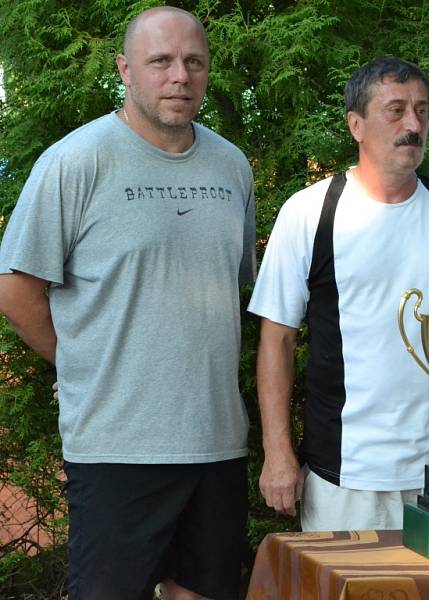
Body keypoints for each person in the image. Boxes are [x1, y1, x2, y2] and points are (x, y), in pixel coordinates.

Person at [0, 7, 255, 600]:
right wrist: (78, 363)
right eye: (160, 61)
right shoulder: (76, 161)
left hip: (216, 436)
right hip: (118, 441)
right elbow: (15, 290)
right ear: (125, 69)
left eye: (193, 62)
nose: (179, 76)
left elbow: (229, 286)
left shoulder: (231, 166)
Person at [247, 57, 429, 531]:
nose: (413, 125)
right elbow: (278, 340)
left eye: (422, 110)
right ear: (356, 124)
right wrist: (278, 454)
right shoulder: (311, 213)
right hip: (344, 475)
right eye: (395, 110)